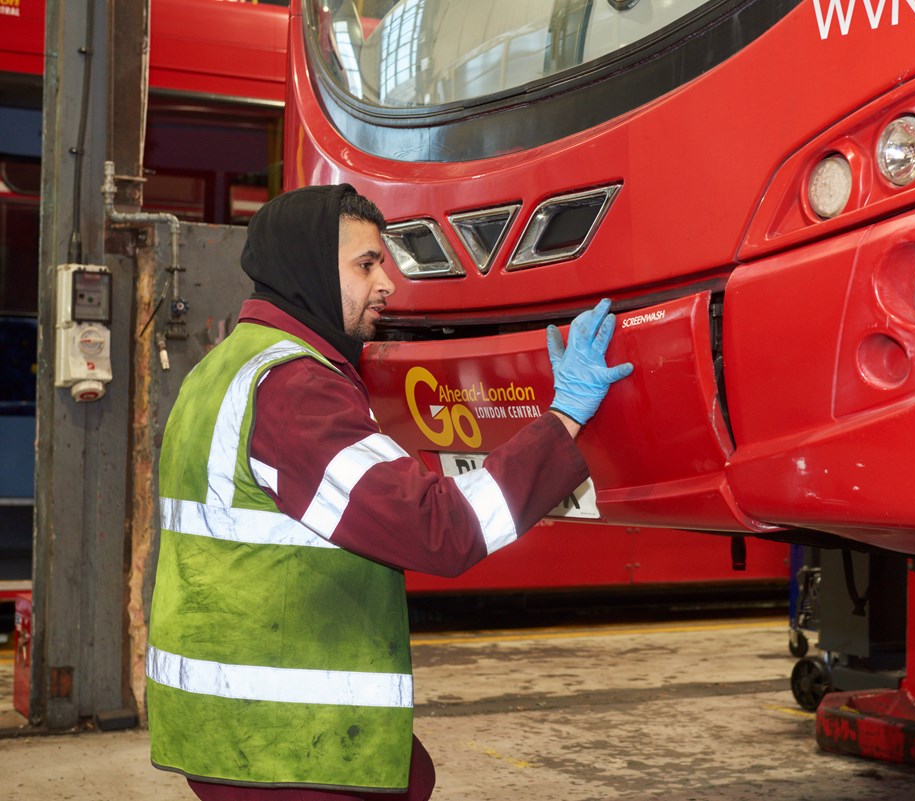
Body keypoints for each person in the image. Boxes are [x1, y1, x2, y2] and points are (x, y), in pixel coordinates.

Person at [145, 184, 633, 801]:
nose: (388, 286)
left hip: (231, 726)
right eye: (366, 264)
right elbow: (440, 529)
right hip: (286, 742)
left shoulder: (223, 369)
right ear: (311, 269)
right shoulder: (295, 389)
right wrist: (563, 419)